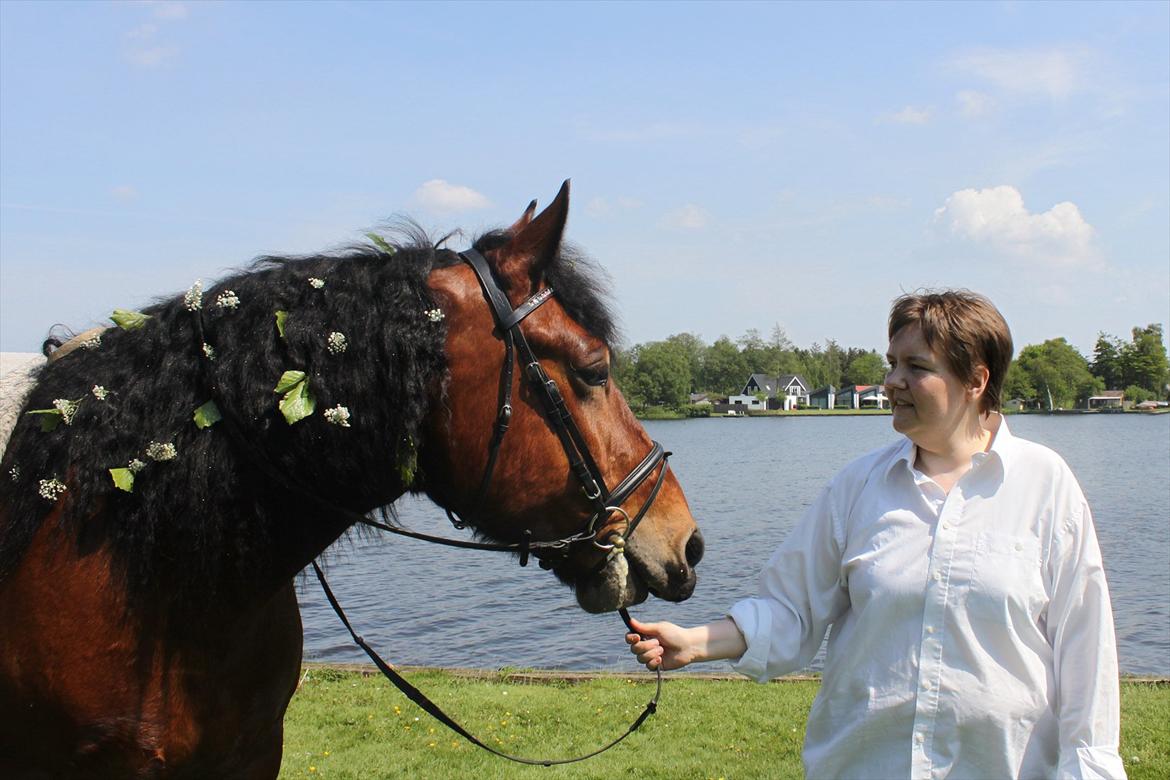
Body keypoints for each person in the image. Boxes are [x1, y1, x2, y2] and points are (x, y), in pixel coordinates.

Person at [627, 290, 1126, 779]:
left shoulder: (1045, 484)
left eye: (917, 367)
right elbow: (792, 609)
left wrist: (1092, 766)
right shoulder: (857, 487)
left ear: (975, 380)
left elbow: (1085, 645)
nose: (892, 382)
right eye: (891, 364)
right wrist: (694, 643)